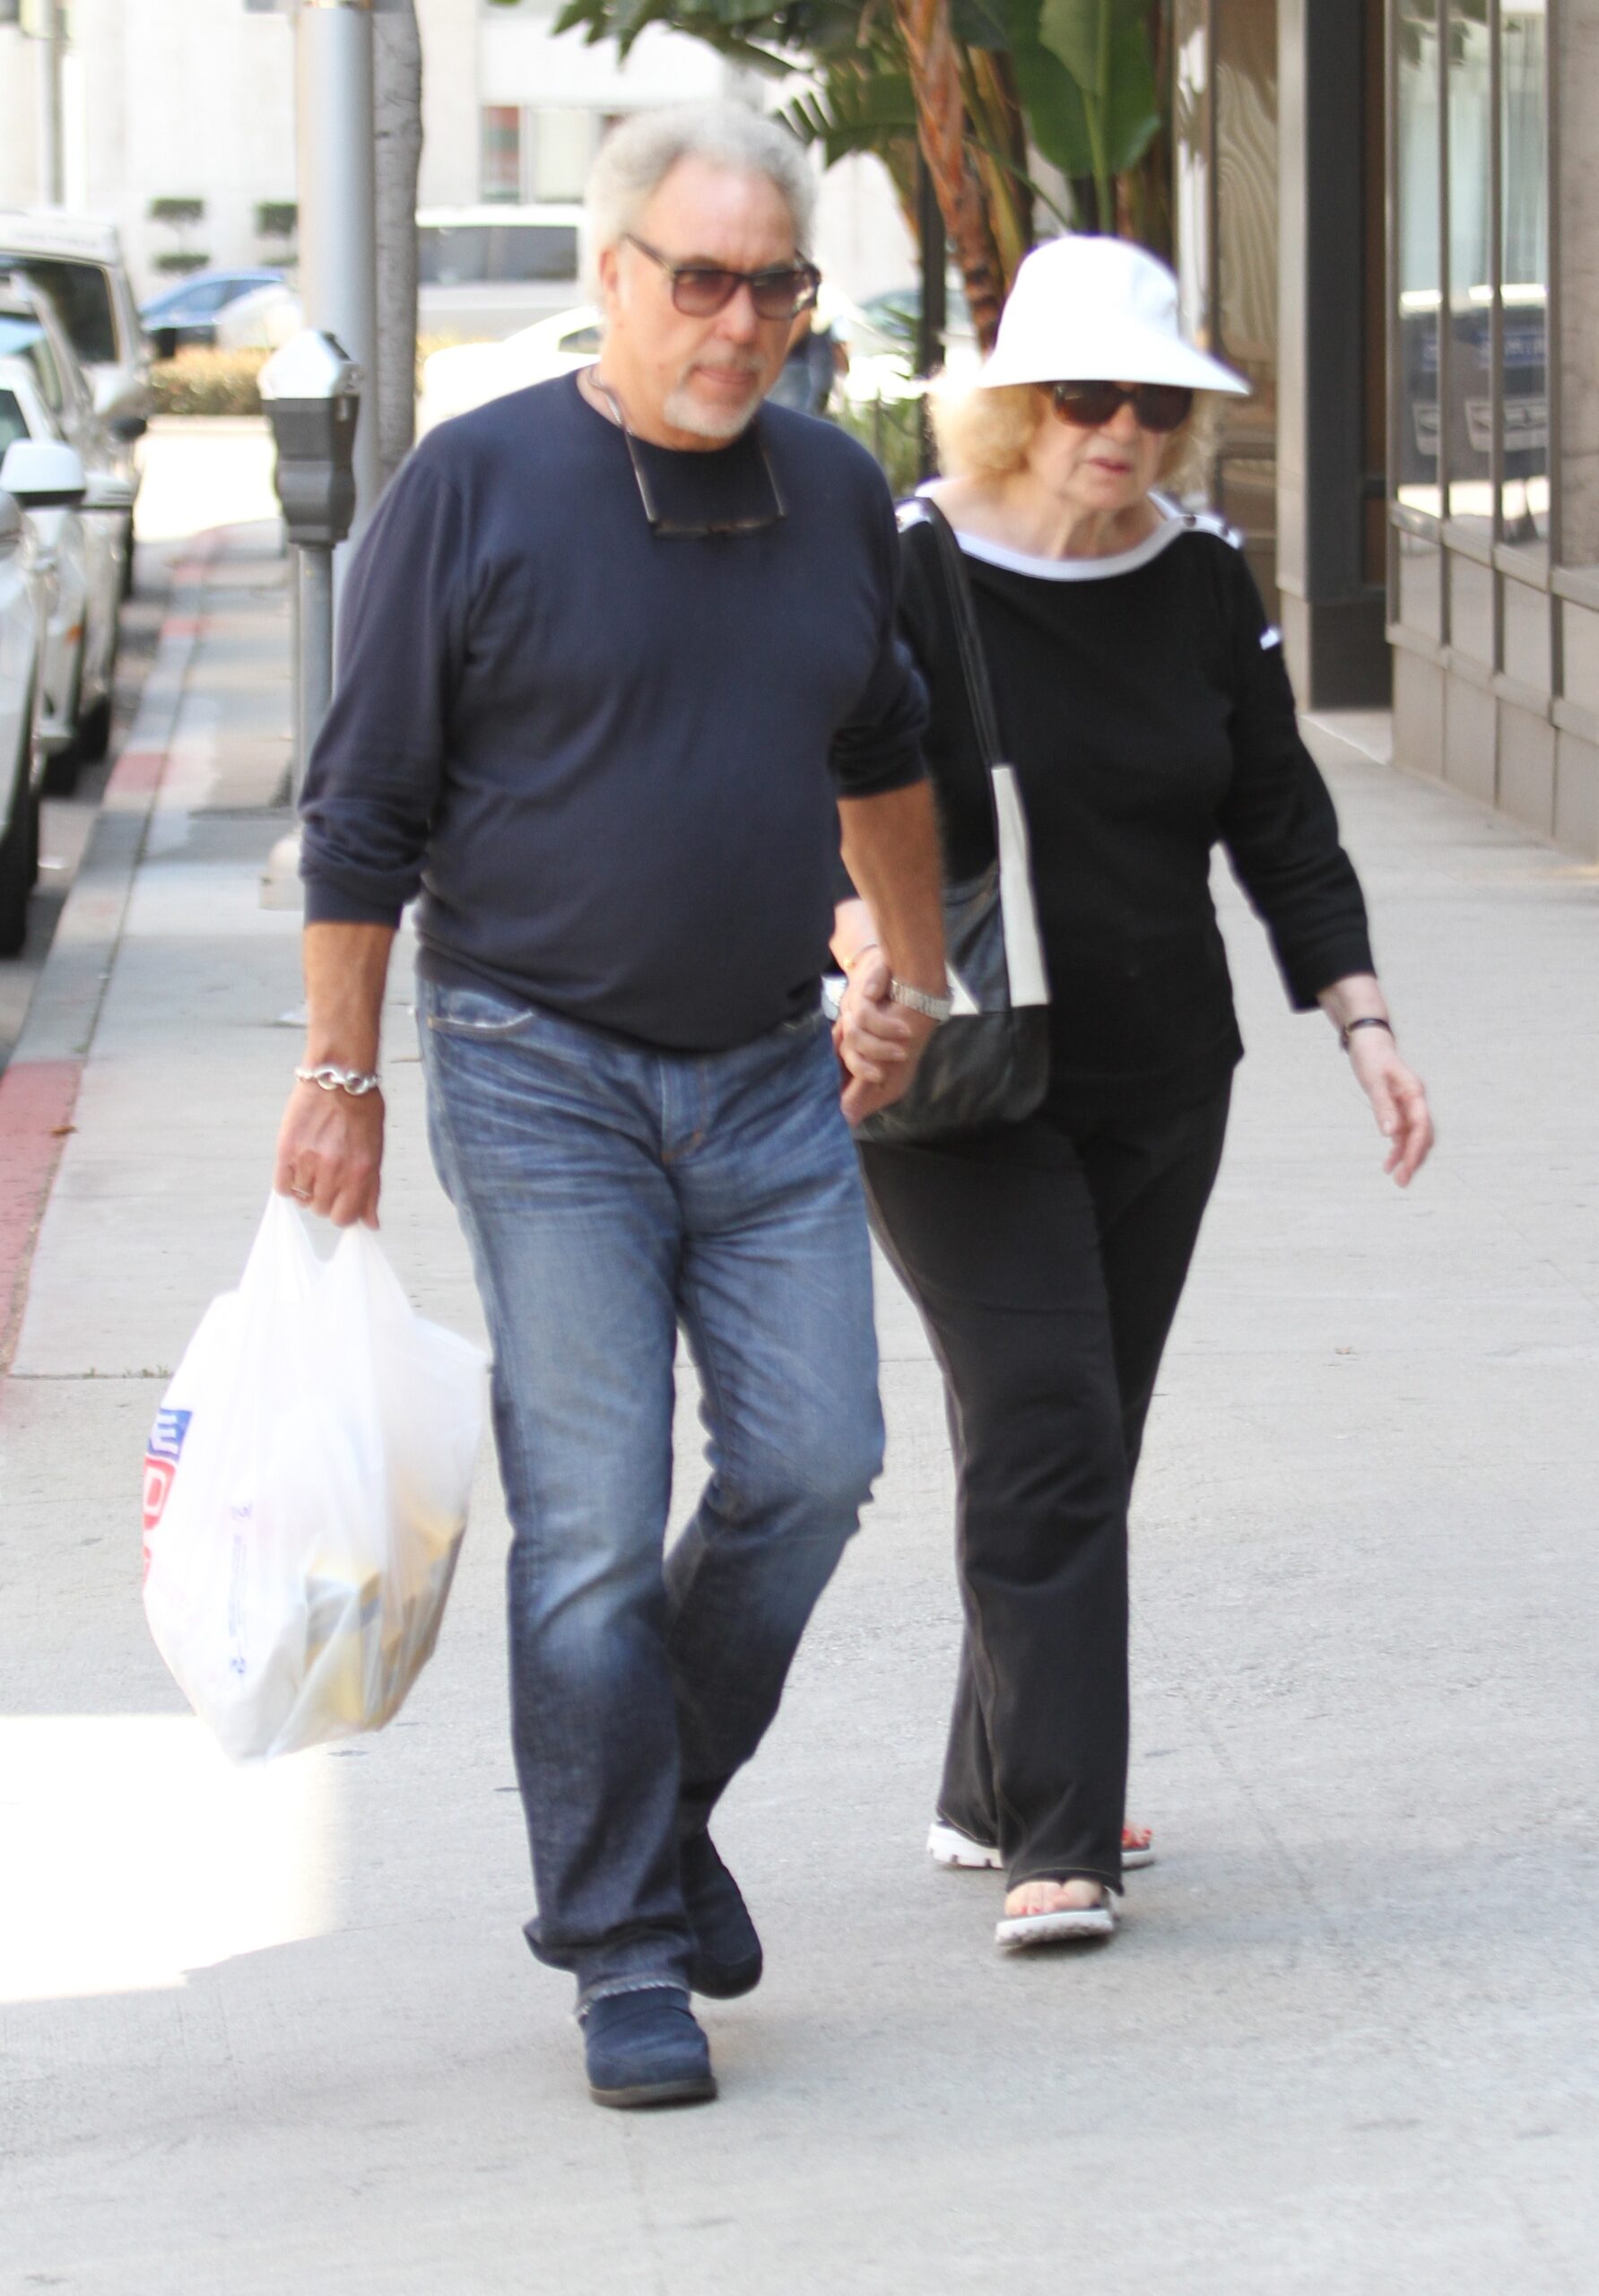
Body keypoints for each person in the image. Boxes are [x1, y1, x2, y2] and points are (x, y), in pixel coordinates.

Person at [274, 100, 949, 2109]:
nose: (739, 324)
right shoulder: (473, 488)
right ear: (614, 275)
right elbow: (364, 808)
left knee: (813, 1462)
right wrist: (336, 1070)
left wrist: (903, 977)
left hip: (766, 1072)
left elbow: (890, 750)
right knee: (583, 1526)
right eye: (701, 279)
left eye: (776, 285)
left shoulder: (834, 492)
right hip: (534, 1064)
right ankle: (622, 1948)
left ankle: (654, 1811)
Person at [830, 235, 1434, 1953]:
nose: (1120, 431)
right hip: (954, 1078)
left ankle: (988, 1781)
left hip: (1166, 1077)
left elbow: (1282, 821)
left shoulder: (1203, 579)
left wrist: (1362, 1018)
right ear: (1012, 403)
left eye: (1152, 402)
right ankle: (1059, 1840)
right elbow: (808, 789)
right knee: (1048, 1426)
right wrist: (849, 950)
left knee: (1080, 1428)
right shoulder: (911, 568)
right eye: (1085, 396)